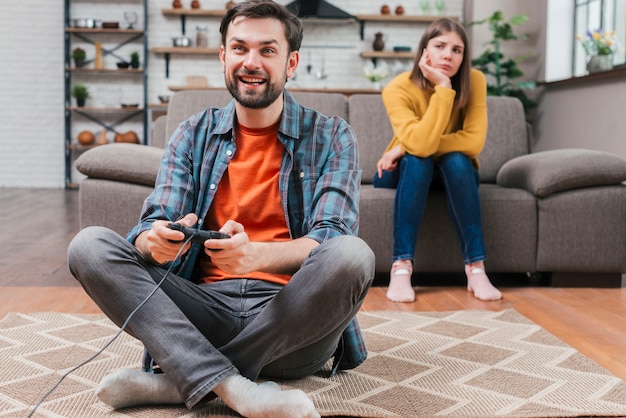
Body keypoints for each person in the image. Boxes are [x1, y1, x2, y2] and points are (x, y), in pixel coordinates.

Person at [67, 1, 374, 416]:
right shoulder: (191, 134)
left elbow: (331, 235)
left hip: (292, 323)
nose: (252, 62)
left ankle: (182, 381)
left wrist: (256, 256)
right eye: (240, 48)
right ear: (223, 56)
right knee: (89, 246)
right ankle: (233, 386)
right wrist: (153, 241)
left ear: (291, 62)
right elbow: (154, 220)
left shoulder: (334, 135)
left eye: (267, 50)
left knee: (354, 255)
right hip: (203, 312)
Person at [373, 18, 502, 303]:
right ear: (425, 50)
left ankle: (476, 268)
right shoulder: (398, 88)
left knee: (456, 159)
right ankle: (401, 268)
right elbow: (419, 147)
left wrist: (404, 146)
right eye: (440, 46)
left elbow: (473, 142)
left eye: (457, 50)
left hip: (452, 173)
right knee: (419, 160)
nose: (448, 55)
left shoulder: (475, 81)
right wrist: (443, 87)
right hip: (402, 170)